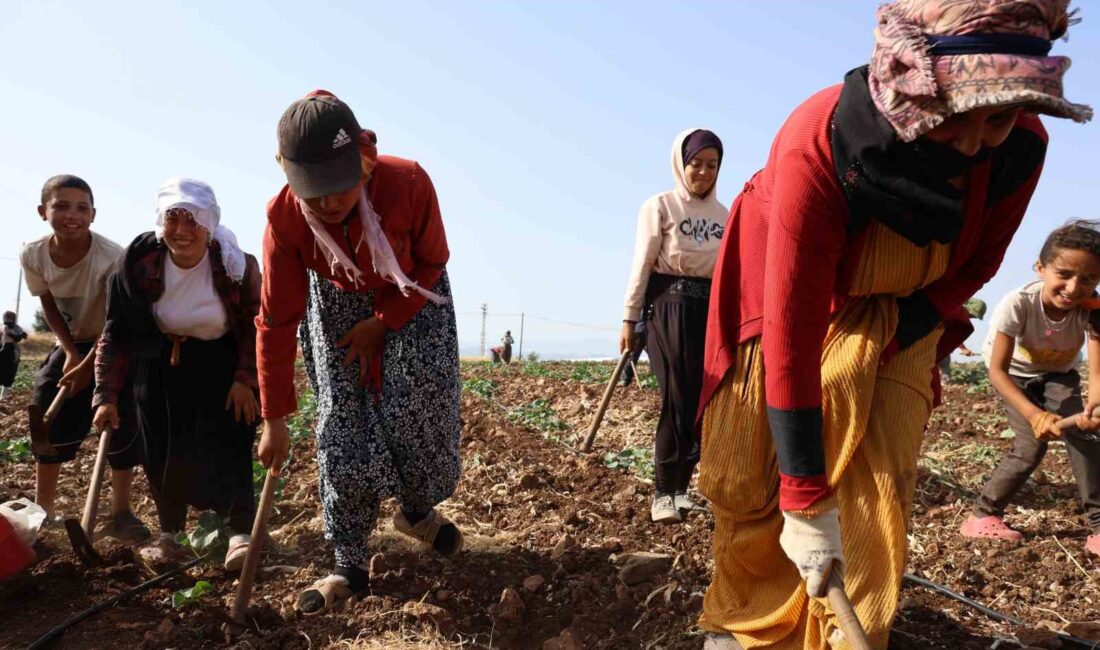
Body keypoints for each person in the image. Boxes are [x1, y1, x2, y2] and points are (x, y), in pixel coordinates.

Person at [694, 2, 1091, 648]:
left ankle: (852, 635)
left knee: (879, 475)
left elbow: (978, 263)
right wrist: (801, 493)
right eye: (955, 115)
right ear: (910, 79)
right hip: (786, 285)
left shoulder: (1021, 147)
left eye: (996, 119)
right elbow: (793, 336)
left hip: (908, 304)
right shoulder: (821, 142)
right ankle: (746, 628)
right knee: (755, 470)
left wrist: (898, 332)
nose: (973, 141)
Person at [255, 90, 462, 613]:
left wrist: (384, 320)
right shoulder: (284, 217)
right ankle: (348, 561)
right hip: (338, 302)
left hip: (414, 295)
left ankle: (416, 511)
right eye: (313, 191)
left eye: (337, 187)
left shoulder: (408, 182)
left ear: (362, 161)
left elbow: (432, 261)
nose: (327, 203)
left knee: (418, 413)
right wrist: (274, 416)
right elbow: (277, 318)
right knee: (340, 428)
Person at [92, 177, 261, 570]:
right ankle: (170, 534)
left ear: (210, 224)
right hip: (160, 357)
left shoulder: (236, 266)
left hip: (221, 358)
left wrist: (245, 380)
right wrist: (106, 396)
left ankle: (239, 532)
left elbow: (256, 325)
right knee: (162, 446)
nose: (182, 232)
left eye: (194, 221)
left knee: (231, 439)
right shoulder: (137, 264)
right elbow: (116, 332)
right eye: (173, 219)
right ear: (160, 220)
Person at [21, 175, 149, 541]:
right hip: (74, 342)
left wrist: (89, 362)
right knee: (48, 404)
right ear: (43, 211)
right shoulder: (33, 253)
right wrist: (71, 353)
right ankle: (44, 511)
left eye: (81, 208)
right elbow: (47, 301)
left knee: (120, 422)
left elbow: (116, 320)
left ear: (93, 214)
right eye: (60, 206)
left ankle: (121, 511)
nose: (71, 215)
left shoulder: (112, 258)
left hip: (118, 342)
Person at [961, 221, 1100, 557]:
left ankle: (1098, 524)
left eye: (1088, 279)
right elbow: (997, 371)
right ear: (1041, 269)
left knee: (1085, 436)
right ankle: (982, 515)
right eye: (1064, 274)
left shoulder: (1093, 309)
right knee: (1029, 447)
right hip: (1016, 376)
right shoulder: (1018, 304)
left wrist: (1094, 404)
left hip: (1059, 375)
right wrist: (1034, 414)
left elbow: (1096, 369)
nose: (1074, 287)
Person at [621, 128, 727, 524]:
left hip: (709, 311)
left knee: (701, 402)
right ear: (681, 164)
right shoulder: (660, 206)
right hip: (668, 306)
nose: (702, 172)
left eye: (711, 165)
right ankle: (662, 492)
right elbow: (643, 262)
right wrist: (630, 317)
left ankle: (682, 489)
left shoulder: (724, 215)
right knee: (677, 398)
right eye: (695, 163)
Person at [0, 311, 28, 400]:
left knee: (9, 371)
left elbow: (19, 338)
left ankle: (4, 395)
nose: (7, 320)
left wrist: (9, 333)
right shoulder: (2, 327)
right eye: (6, 317)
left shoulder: (16, 328)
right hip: (2, 349)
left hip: (11, 350)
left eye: (9, 318)